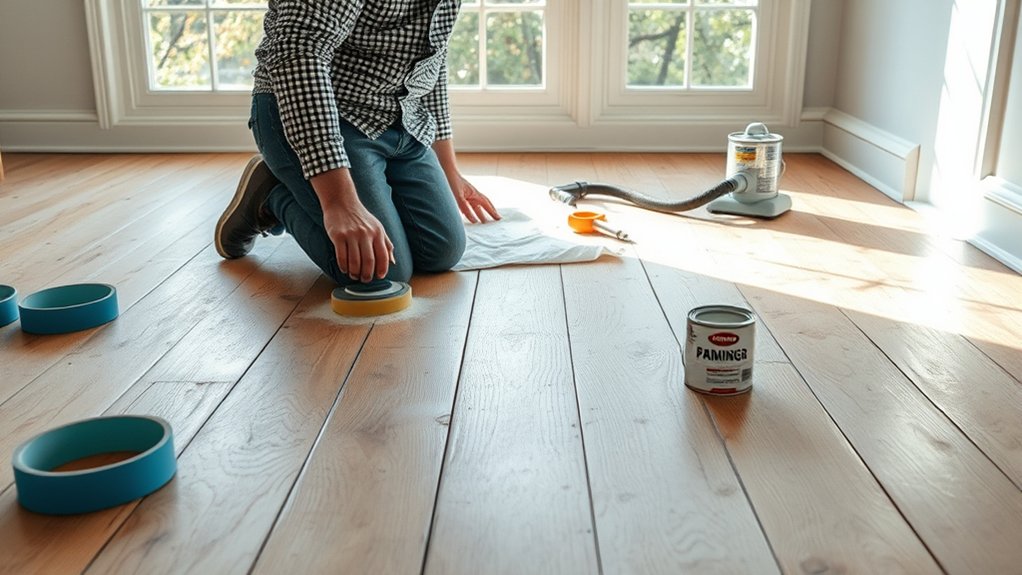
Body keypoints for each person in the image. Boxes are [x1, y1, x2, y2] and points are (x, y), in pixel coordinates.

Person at [214, 0, 499, 287]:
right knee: (382, 273)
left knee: (441, 250)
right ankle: (270, 197)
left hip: (399, 117)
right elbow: (298, 52)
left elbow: (431, 56)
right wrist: (339, 202)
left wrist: (450, 172)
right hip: (314, 110)